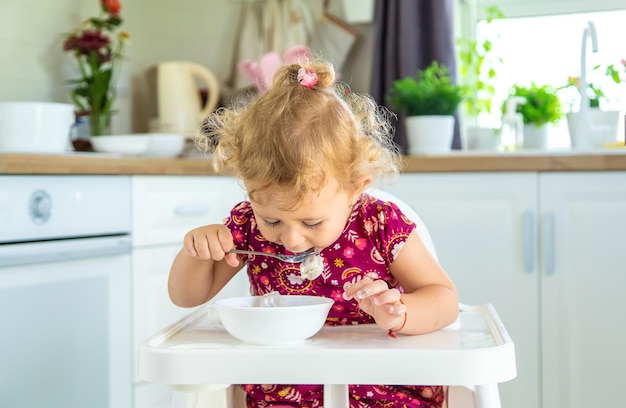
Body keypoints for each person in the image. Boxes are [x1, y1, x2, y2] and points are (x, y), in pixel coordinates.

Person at [168, 59, 459, 408]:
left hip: (382, 390)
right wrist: (197, 252)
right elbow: (186, 296)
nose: (290, 240)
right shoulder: (246, 229)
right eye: (272, 221)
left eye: (311, 223)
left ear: (355, 189)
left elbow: (444, 298)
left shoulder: (379, 224)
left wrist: (401, 312)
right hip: (284, 392)